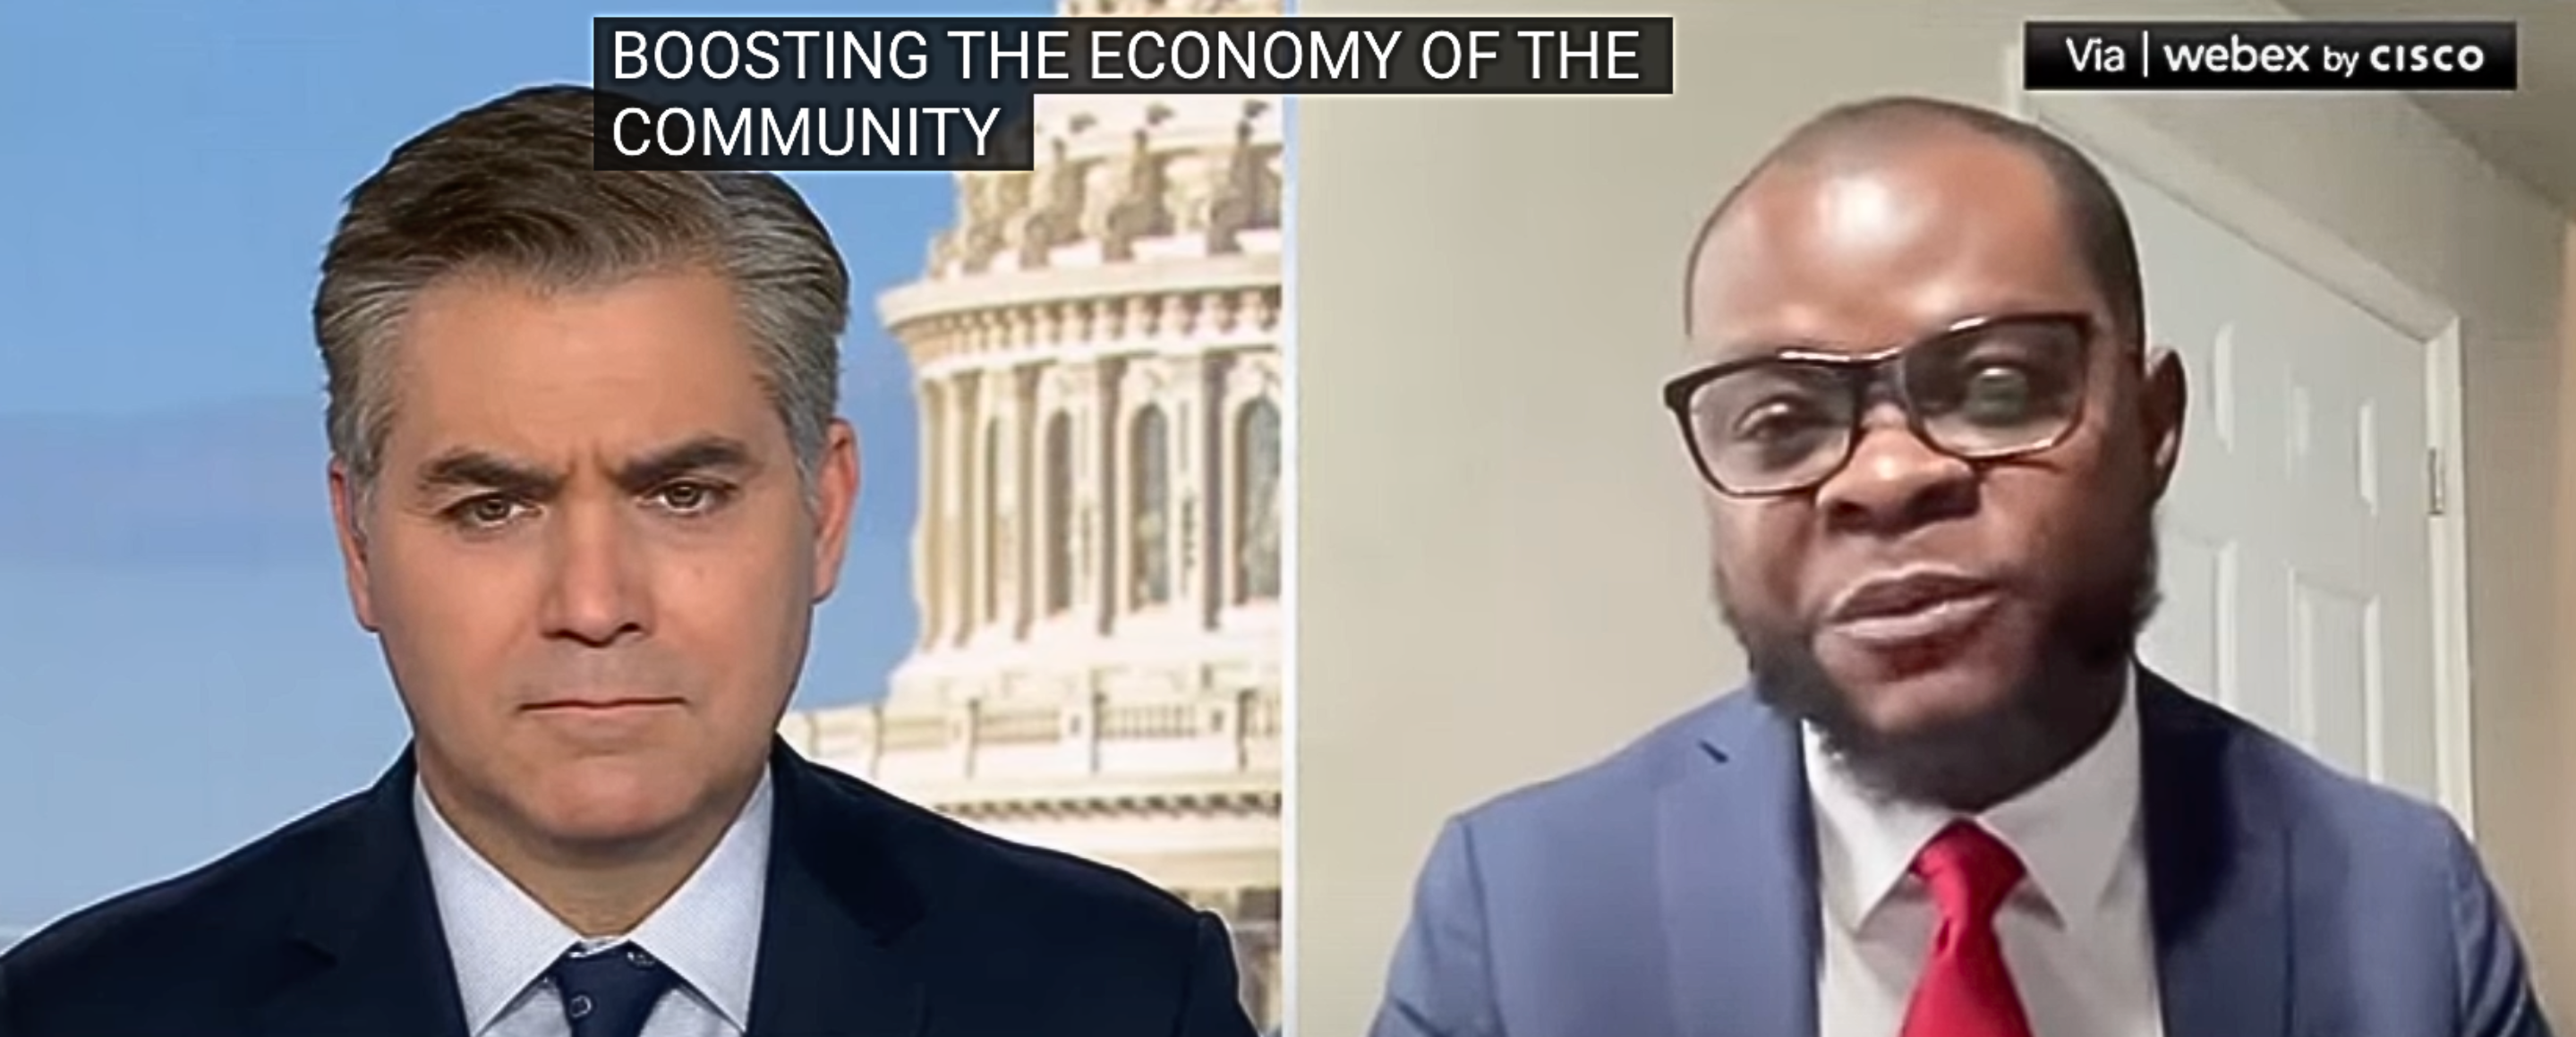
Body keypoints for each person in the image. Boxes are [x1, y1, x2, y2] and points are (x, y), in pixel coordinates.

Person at [0, 84, 1258, 1037]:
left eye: (684, 493)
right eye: (494, 506)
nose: (594, 603)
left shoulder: (1123, 996)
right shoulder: (86, 1011)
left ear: (824, 512)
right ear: (358, 542)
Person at [1370, 96, 2553, 1037]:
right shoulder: (1517, 912)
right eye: (1780, 421)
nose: (1882, 478)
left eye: (1995, 387)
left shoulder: (2404, 907)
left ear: (2152, 425)